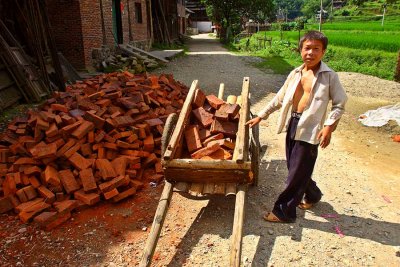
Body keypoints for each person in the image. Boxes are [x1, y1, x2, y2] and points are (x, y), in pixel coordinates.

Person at [246, 30, 348, 223]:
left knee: (295, 173)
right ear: (300, 50)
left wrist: (328, 127)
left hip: (311, 128)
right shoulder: (295, 74)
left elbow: (339, 104)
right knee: (295, 167)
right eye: (307, 48)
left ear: (323, 51)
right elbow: (279, 98)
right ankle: (313, 194)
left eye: (316, 49)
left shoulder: (329, 76)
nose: (310, 52)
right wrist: (261, 115)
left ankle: (283, 211)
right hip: (293, 123)